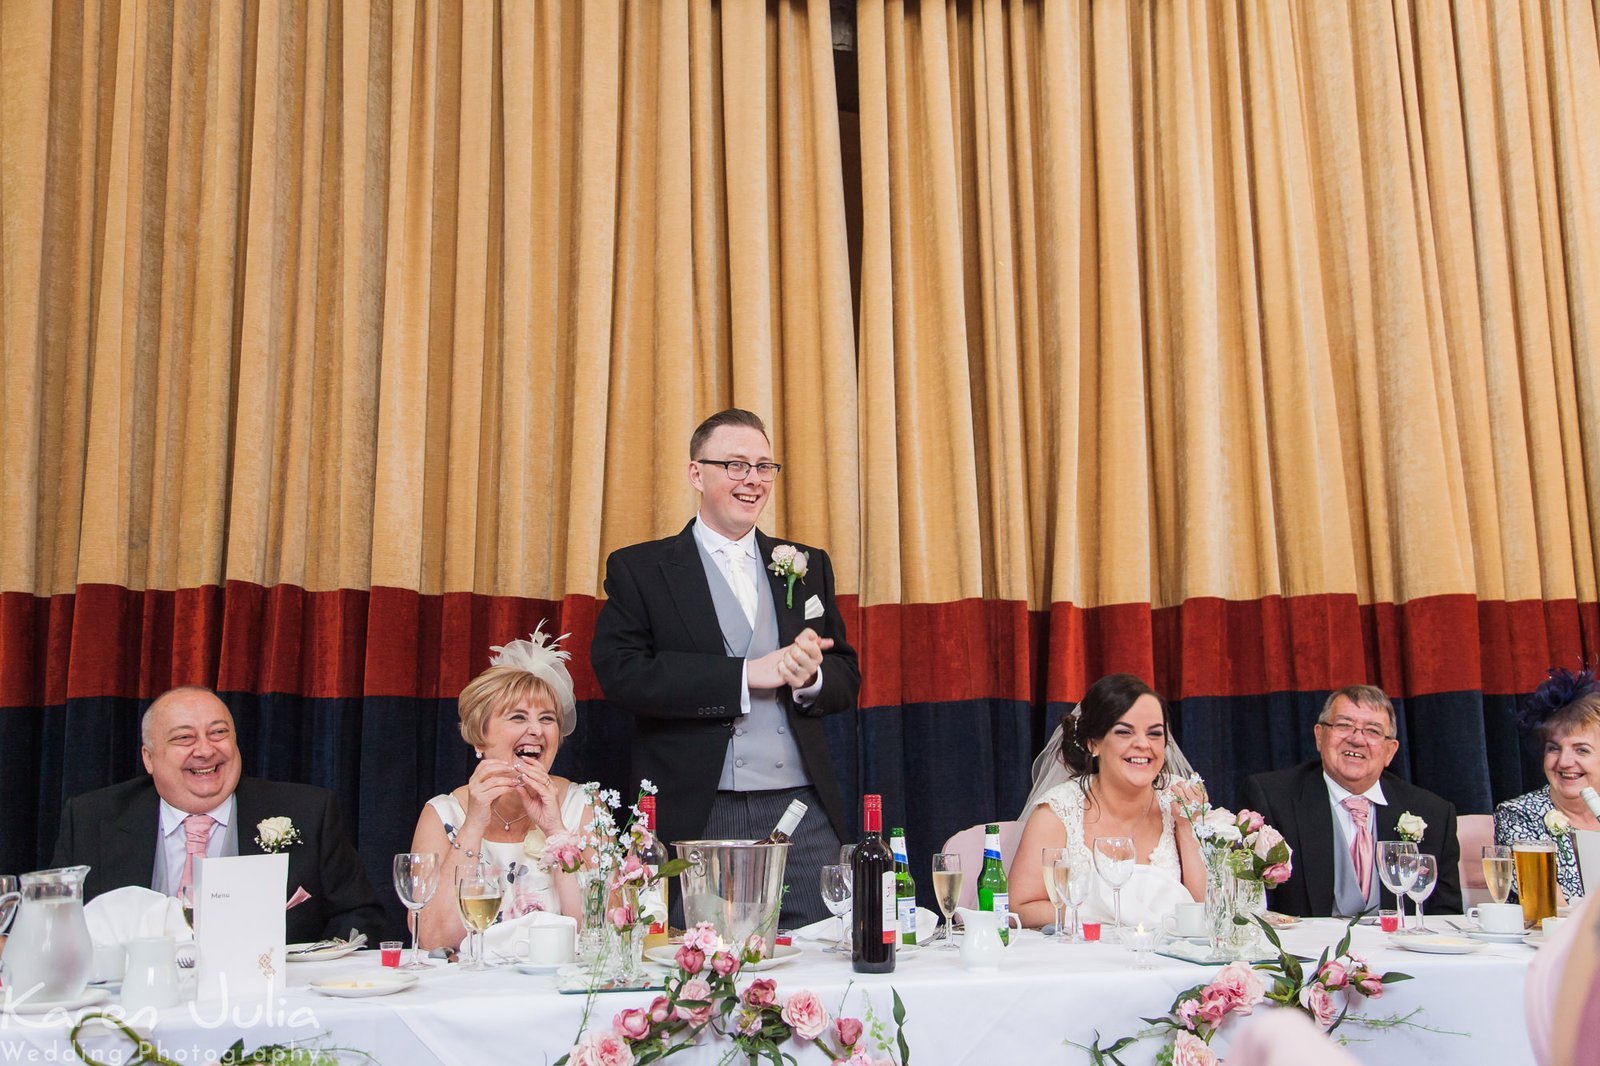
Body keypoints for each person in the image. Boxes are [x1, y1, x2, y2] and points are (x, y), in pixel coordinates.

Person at [591, 408, 860, 926]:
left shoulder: (807, 564)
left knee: (825, 956)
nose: (752, 480)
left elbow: (845, 674)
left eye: (764, 467)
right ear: (697, 473)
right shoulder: (641, 569)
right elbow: (622, 673)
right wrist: (744, 676)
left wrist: (811, 678)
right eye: (736, 465)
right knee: (699, 972)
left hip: (800, 809)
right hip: (698, 807)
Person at [51, 686, 383, 944]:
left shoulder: (308, 812)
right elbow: (56, 926)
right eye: (184, 738)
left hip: (271, 1006)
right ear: (149, 758)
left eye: (218, 733)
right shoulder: (91, 819)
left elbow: (361, 917)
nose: (206, 750)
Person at [410, 626, 595, 949]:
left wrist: (555, 830)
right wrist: (474, 824)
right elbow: (434, 939)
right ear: (481, 737)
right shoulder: (441, 814)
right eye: (518, 717)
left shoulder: (581, 807)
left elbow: (596, 930)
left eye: (548, 719)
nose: (536, 730)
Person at [1241, 684, 1462, 918]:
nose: (1357, 739)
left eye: (1373, 731)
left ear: (1390, 751)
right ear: (1319, 736)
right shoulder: (1272, 798)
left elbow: (1445, 917)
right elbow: (1254, 906)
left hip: (1398, 952)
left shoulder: (1433, 813)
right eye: (1344, 725)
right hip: (1307, 951)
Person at [1009, 674, 1206, 930]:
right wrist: (1109, 916)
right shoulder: (1058, 811)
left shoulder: (1180, 797)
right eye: (1125, 732)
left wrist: (1188, 825)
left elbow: (1206, 910)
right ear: (1093, 743)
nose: (1143, 744)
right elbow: (1019, 907)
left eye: (1155, 734)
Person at [1495, 666, 1600, 903]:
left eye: (1581, 750)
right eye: (1553, 748)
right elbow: (1546, 903)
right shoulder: (1519, 814)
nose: (1564, 762)